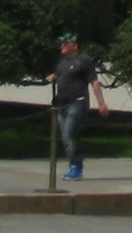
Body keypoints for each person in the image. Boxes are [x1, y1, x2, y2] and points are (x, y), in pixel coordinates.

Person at [45, 33, 107, 181]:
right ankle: (73, 164)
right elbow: (61, 74)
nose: (62, 47)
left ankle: (76, 167)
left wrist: (101, 103)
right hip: (62, 104)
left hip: (77, 102)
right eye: (61, 44)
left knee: (69, 134)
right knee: (66, 137)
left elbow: (94, 82)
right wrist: (53, 77)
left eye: (65, 43)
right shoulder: (62, 62)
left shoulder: (83, 61)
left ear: (74, 45)